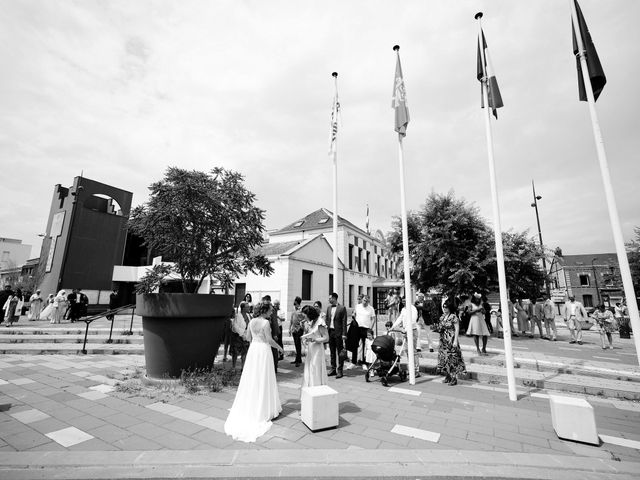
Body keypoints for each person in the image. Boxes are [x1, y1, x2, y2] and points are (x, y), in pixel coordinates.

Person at [224, 301, 283, 443]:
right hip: (263, 351)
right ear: (264, 310)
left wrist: (256, 340)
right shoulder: (265, 323)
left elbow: (248, 337)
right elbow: (269, 340)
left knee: (253, 378)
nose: (271, 312)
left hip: (254, 351)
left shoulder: (251, 322)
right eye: (270, 310)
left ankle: (254, 403)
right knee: (264, 377)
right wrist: (280, 348)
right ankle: (264, 408)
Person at [434, 299, 466, 386]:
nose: (444, 308)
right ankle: (447, 376)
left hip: (451, 339)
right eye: (443, 307)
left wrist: (455, 340)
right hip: (443, 340)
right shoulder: (442, 316)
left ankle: (454, 378)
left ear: (450, 308)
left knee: (453, 359)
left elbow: (457, 329)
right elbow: (440, 328)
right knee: (444, 359)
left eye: (446, 307)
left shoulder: (453, 317)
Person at [300, 305, 329, 387]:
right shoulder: (312, 322)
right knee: (310, 369)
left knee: (315, 370)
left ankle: (316, 387)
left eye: (305, 316)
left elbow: (326, 338)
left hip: (317, 350)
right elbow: (312, 334)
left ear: (309, 314)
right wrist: (306, 339)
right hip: (310, 349)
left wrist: (314, 340)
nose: (304, 318)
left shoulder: (320, 322)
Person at [391, 299, 420, 377]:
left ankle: (416, 370)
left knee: (413, 351)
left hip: (412, 331)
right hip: (405, 331)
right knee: (407, 351)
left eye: (405, 301)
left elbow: (413, 320)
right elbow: (400, 318)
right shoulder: (403, 309)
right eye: (402, 301)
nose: (403, 302)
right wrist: (393, 326)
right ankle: (411, 369)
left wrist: (406, 329)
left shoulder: (413, 309)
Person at [326, 292, 348, 379]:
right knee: (332, 352)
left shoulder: (342, 308)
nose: (329, 299)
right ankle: (333, 369)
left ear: (334, 298)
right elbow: (327, 320)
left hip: (338, 333)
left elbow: (344, 322)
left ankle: (340, 370)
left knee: (340, 352)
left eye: (330, 298)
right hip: (330, 332)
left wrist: (344, 334)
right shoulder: (328, 308)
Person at [353, 295, 376, 367]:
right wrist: (353, 315)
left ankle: (364, 361)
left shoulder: (371, 308)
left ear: (368, 301)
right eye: (364, 300)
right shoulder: (357, 306)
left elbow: (373, 319)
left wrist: (370, 329)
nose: (365, 302)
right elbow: (354, 314)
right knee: (356, 344)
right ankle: (355, 361)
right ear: (362, 300)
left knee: (366, 345)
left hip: (366, 329)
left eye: (366, 301)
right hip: (358, 328)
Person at [229, 302, 250, 369]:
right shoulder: (238, 315)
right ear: (243, 308)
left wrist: (247, 334)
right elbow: (235, 326)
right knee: (235, 353)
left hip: (246, 336)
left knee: (244, 352)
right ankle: (233, 367)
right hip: (237, 336)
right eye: (247, 307)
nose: (249, 308)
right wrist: (242, 334)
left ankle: (243, 367)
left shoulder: (248, 315)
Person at [289, 296, 304, 367]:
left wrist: (301, 325)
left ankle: (298, 360)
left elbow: (304, 318)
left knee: (298, 345)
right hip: (294, 329)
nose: (294, 303)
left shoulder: (301, 310)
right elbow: (291, 320)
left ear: (297, 302)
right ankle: (297, 359)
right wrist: (289, 328)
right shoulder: (293, 310)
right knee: (296, 344)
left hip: (299, 329)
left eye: (295, 301)